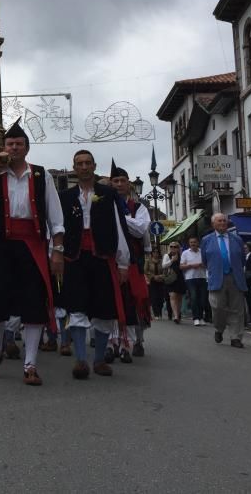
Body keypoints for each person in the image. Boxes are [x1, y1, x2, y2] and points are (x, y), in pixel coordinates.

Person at [0, 121, 65, 386]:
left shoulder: (40, 175)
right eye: (10, 144)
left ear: (27, 148)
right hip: (0, 246)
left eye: (19, 144)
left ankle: (30, 363)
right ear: (3, 148)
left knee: (34, 304)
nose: (14, 148)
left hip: (32, 246)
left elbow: (55, 218)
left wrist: (57, 250)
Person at [55, 150, 130, 380]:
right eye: (80, 163)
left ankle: (98, 360)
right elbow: (56, 227)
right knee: (75, 308)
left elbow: (119, 227)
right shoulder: (65, 196)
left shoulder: (108, 193)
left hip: (102, 257)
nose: (84, 167)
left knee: (103, 309)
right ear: (74, 168)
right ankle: (80, 361)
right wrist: (55, 254)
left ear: (94, 166)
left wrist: (123, 262)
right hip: (74, 258)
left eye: (88, 163)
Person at [110, 166, 151, 358]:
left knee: (137, 299)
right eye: (115, 181)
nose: (119, 184)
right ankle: (115, 342)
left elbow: (141, 229)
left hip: (134, 260)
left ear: (128, 184)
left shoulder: (139, 207)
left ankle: (138, 340)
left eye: (122, 181)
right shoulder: (106, 204)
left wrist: (119, 217)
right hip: (111, 260)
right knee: (113, 300)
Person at [201, 212, 248, 348]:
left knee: (237, 309)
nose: (222, 223)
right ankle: (219, 328)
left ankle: (236, 337)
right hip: (216, 278)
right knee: (217, 307)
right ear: (213, 224)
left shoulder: (237, 239)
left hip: (235, 277)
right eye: (219, 221)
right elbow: (205, 260)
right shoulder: (206, 240)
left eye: (224, 221)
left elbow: (242, 259)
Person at [181, 236, 208, 326]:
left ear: (198, 243)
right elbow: (181, 266)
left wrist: (202, 265)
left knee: (202, 299)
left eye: (194, 242)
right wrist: (192, 265)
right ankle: (196, 318)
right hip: (190, 278)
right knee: (194, 297)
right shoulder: (185, 253)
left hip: (202, 277)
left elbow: (208, 264)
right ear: (189, 243)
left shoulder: (202, 252)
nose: (193, 244)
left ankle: (201, 317)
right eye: (191, 242)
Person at [161, 242, 186, 323]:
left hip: (180, 277)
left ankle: (178, 314)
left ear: (178, 248)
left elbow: (184, 265)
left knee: (179, 297)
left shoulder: (182, 255)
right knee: (172, 295)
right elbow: (163, 265)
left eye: (175, 246)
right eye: (171, 246)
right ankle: (175, 315)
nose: (173, 248)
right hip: (171, 278)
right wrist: (172, 260)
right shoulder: (167, 255)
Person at [145, 249, 166, 319]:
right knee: (154, 297)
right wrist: (153, 276)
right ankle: (156, 314)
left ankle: (160, 312)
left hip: (161, 280)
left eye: (157, 252)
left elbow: (165, 270)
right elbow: (145, 270)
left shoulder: (162, 261)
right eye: (154, 252)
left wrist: (161, 276)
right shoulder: (148, 261)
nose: (156, 253)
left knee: (161, 297)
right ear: (152, 253)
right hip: (152, 281)